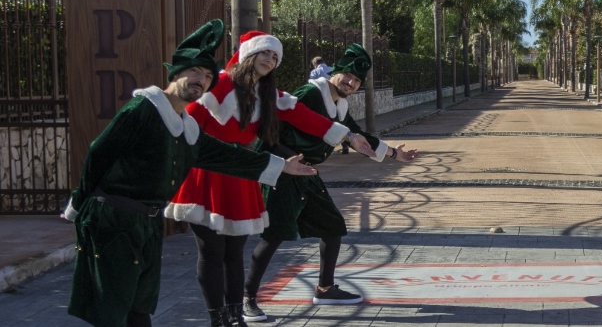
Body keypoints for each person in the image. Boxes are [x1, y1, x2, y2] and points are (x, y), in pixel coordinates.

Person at [62, 19, 316, 327]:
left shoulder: (188, 126)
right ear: (176, 73)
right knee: (111, 309)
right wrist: (78, 205)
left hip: (147, 223)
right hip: (112, 218)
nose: (201, 79)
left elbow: (224, 156)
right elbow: (98, 154)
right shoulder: (142, 109)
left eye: (208, 75)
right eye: (194, 71)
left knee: (140, 306)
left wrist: (281, 165)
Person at [165, 31, 376, 326]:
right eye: (265, 52)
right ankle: (218, 318)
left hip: (241, 177)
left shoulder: (268, 96)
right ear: (250, 53)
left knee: (235, 252)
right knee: (212, 252)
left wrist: (348, 135)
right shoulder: (219, 85)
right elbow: (184, 127)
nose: (270, 59)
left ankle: (236, 313)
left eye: (275, 56)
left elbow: (305, 117)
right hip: (207, 177)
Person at [242, 44, 419, 321]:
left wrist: (395, 153)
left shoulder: (339, 105)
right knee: (275, 234)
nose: (351, 82)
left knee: (332, 226)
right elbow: (269, 130)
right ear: (336, 72)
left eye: (357, 80)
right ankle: (247, 298)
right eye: (347, 75)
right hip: (283, 171)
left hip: (307, 173)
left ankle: (325, 288)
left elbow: (356, 134)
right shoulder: (310, 93)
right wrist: (288, 160)